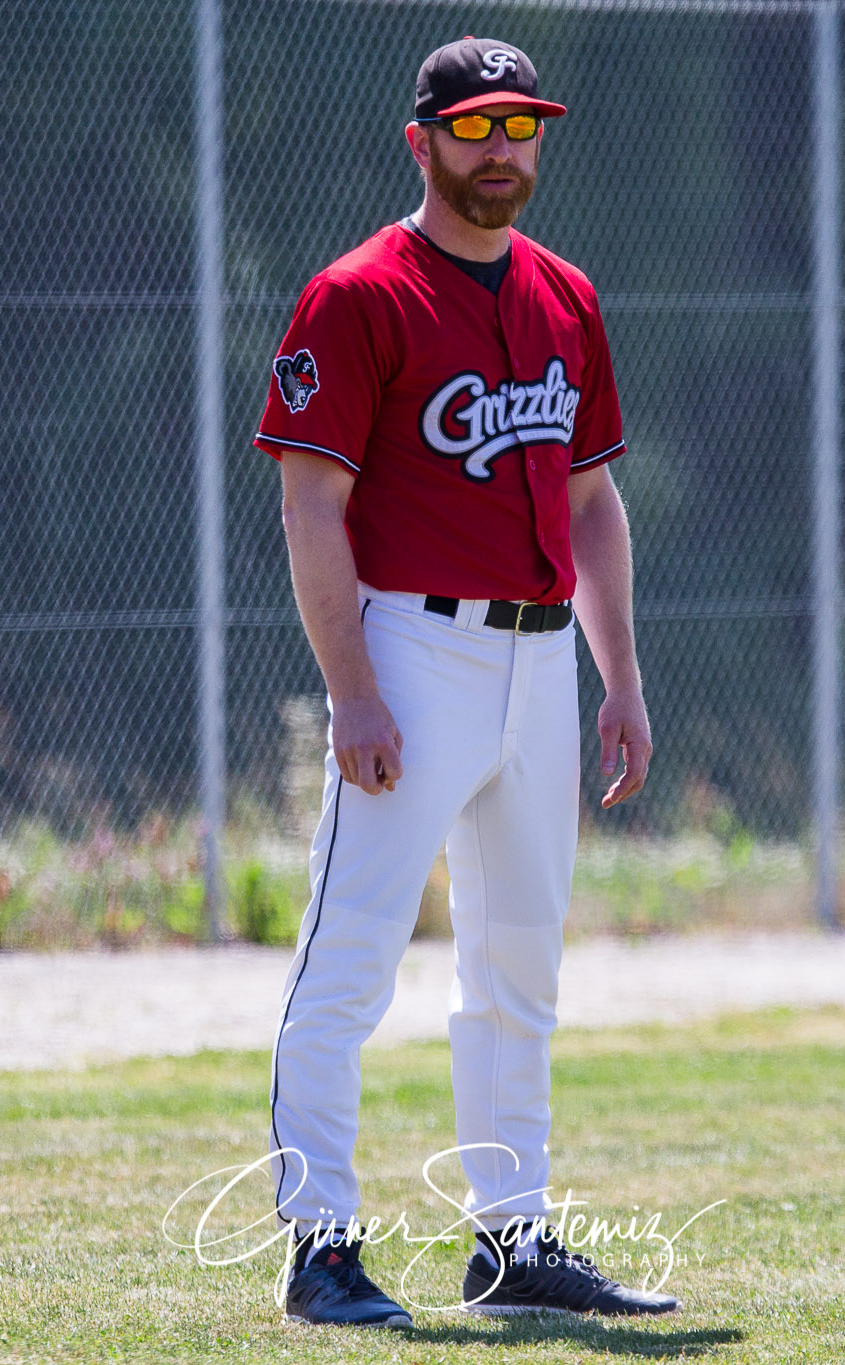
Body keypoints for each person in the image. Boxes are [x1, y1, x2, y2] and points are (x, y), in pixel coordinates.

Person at [254, 35, 677, 1328]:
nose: (502, 150)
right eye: (477, 127)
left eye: (521, 126)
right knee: (352, 956)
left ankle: (511, 1236)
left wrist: (621, 676)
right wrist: (353, 688)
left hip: (542, 658)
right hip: (412, 651)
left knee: (518, 964)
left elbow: (593, 502)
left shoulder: (566, 295)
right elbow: (310, 508)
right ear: (423, 140)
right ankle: (319, 1241)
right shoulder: (358, 294)